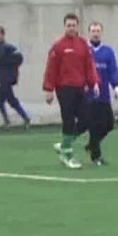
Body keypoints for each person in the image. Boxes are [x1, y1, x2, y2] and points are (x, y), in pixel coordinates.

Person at [43, 13, 100, 169]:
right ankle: (67, 155)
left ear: (77, 26)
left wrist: (94, 82)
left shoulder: (83, 45)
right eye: (68, 25)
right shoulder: (58, 46)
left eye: (73, 25)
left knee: (86, 119)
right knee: (68, 120)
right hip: (64, 88)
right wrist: (48, 89)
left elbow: (89, 66)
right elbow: (51, 69)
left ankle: (64, 145)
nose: (71, 28)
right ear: (65, 27)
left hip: (80, 88)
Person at [78, 21, 118, 165]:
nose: (95, 34)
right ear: (89, 33)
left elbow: (113, 70)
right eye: (93, 31)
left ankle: (91, 145)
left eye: (98, 31)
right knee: (93, 126)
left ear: (101, 33)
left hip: (104, 95)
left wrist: (116, 87)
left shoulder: (108, 51)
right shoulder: (84, 50)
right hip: (88, 95)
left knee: (109, 124)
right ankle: (96, 156)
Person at [0, 26, 30, 129]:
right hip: (1, 79)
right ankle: (25, 118)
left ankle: (8, 121)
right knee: (11, 100)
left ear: (2, 35)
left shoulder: (9, 48)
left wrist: (5, 62)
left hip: (8, 79)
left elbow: (19, 59)